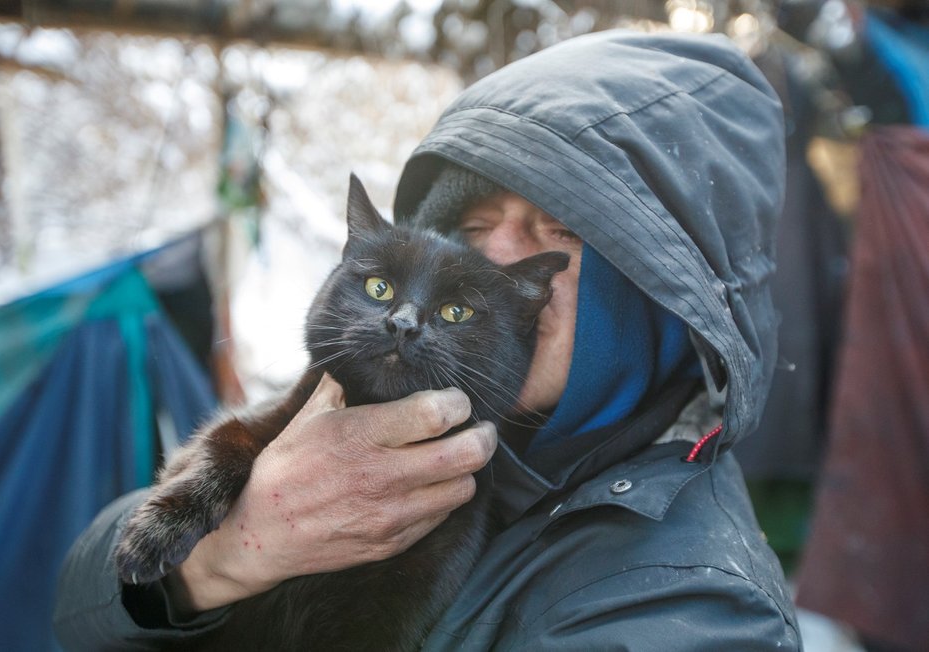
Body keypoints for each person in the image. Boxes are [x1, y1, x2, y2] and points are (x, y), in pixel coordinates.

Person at [53, 30, 801, 650]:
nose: (499, 260)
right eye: (472, 227)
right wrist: (217, 559)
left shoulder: (697, 605)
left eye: (561, 229)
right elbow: (75, 602)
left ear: (662, 289)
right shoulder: (363, 402)